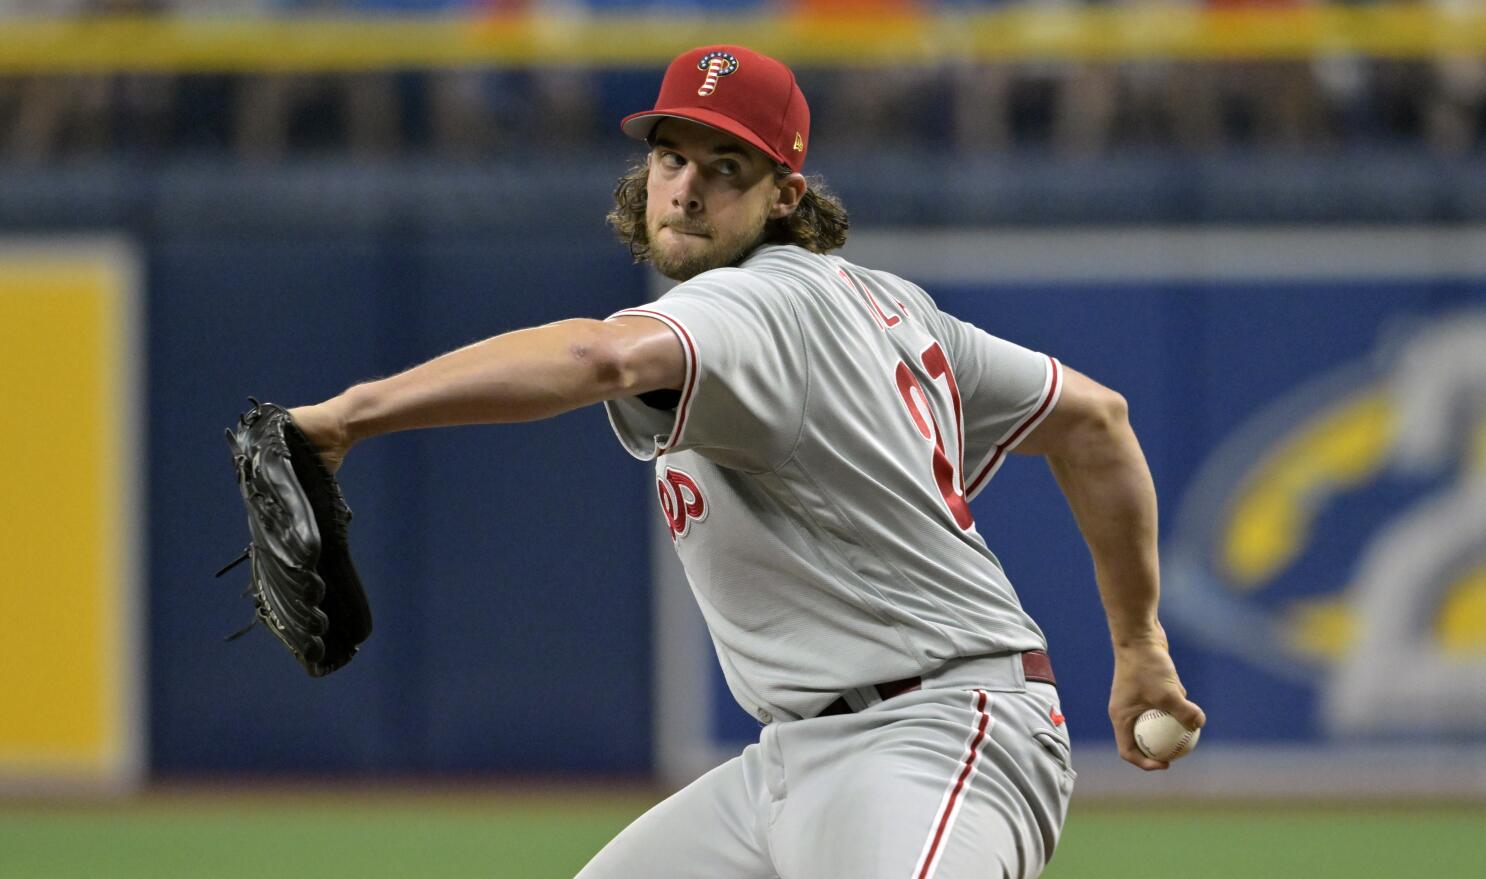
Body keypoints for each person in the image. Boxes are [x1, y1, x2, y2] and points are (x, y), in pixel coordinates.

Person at [286, 44, 1206, 879]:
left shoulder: (752, 304)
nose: (687, 188)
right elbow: (1095, 420)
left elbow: (595, 360)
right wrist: (1138, 646)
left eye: (727, 168)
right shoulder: (889, 305)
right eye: (670, 157)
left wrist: (344, 419)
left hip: (931, 739)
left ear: (787, 196)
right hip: (796, 759)